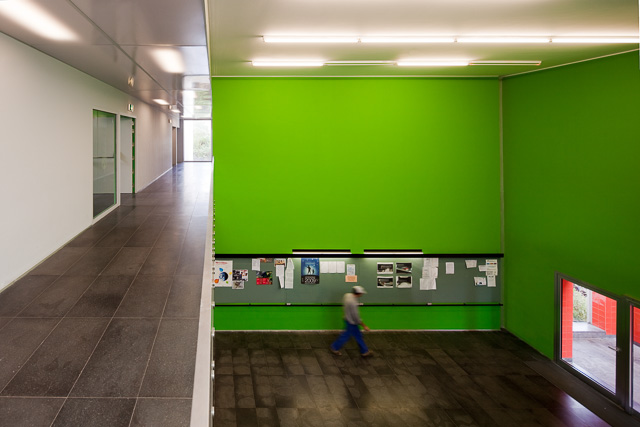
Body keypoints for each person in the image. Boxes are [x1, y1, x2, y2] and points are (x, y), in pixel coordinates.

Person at [330, 285, 372, 357]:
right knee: (346, 336)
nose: (362, 294)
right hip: (352, 322)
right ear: (358, 293)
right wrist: (364, 326)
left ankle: (364, 351)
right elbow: (356, 317)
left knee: (358, 336)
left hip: (347, 319)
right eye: (361, 293)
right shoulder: (353, 303)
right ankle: (334, 347)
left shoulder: (347, 295)